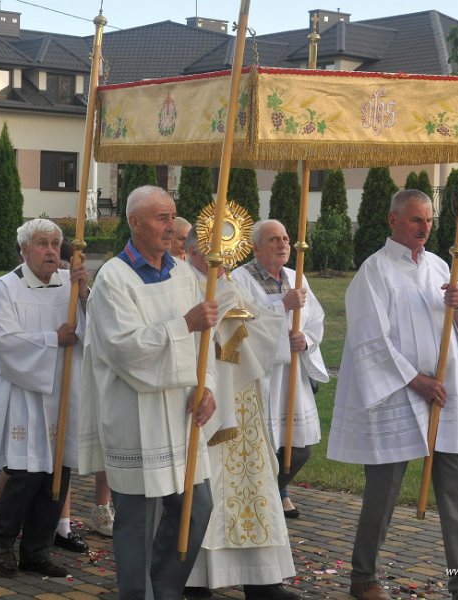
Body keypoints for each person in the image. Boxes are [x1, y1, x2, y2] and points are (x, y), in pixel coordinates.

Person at [327, 190, 458, 600]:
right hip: (397, 393)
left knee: (457, 494)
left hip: (442, 397)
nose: (424, 228)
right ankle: (364, 578)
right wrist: (416, 380)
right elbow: (368, 339)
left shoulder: (440, 267)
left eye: (429, 220)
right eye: (416, 220)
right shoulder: (374, 272)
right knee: (382, 493)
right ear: (393, 219)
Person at [78, 185, 218, 600]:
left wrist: (205, 383)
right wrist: (183, 326)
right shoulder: (113, 280)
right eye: (160, 217)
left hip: (181, 414)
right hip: (136, 414)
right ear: (134, 222)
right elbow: (123, 348)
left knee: (197, 509)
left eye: (172, 216)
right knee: (137, 523)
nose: (170, 226)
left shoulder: (181, 271)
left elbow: (204, 340)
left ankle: (166, 590)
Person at [183, 229, 299, 600]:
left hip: (243, 403)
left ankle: (262, 581)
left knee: (254, 488)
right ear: (193, 253)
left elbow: (260, 325)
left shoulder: (232, 284)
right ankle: (195, 579)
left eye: (222, 253)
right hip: (206, 403)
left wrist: (263, 309)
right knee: (207, 491)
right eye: (209, 253)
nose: (218, 260)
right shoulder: (182, 284)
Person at [0, 218, 89, 578]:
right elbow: (5, 341)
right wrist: (51, 339)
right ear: (24, 249)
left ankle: (36, 550)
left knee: (57, 473)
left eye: (54, 244)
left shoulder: (70, 286)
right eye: (42, 244)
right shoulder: (6, 287)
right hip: (25, 392)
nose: (50, 251)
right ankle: (0, 540)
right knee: (27, 472)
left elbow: (94, 332)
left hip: (63, 389)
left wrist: (87, 297)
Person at [231, 219, 329, 519]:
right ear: (255, 246)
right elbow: (240, 323)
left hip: (291, 376)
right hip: (258, 375)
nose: (284, 244)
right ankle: (263, 499)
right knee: (262, 444)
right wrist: (281, 307)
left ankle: (273, 491)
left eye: (286, 238)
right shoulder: (240, 279)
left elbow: (315, 318)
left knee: (299, 447)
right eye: (274, 239)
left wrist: (306, 340)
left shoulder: (296, 276)